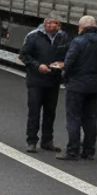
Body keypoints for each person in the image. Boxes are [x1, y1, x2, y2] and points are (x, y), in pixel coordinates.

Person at [56, 16, 97, 161]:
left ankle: (72, 151)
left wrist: (65, 79)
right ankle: (89, 151)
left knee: (74, 118)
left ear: (82, 27)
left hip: (77, 84)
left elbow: (68, 63)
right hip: (95, 85)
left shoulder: (78, 42)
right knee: (91, 119)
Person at [18, 12, 69, 153]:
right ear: (45, 23)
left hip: (53, 80)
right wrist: (37, 66)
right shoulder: (34, 36)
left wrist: (62, 63)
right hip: (36, 80)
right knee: (34, 111)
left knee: (50, 112)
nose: (52, 25)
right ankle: (32, 141)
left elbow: (68, 54)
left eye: (55, 23)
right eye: (49, 23)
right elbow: (23, 55)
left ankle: (47, 141)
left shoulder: (63, 37)